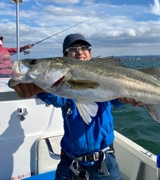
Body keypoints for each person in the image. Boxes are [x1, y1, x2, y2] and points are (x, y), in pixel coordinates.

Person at [12, 33, 142, 180]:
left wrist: (127, 98)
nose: (80, 52)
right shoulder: (61, 89)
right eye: (73, 49)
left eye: (84, 48)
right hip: (71, 163)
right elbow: (55, 98)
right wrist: (39, 89)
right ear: (64, 57)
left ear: (90, 53)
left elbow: (117, 100)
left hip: (106, 161)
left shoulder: (105, 75)